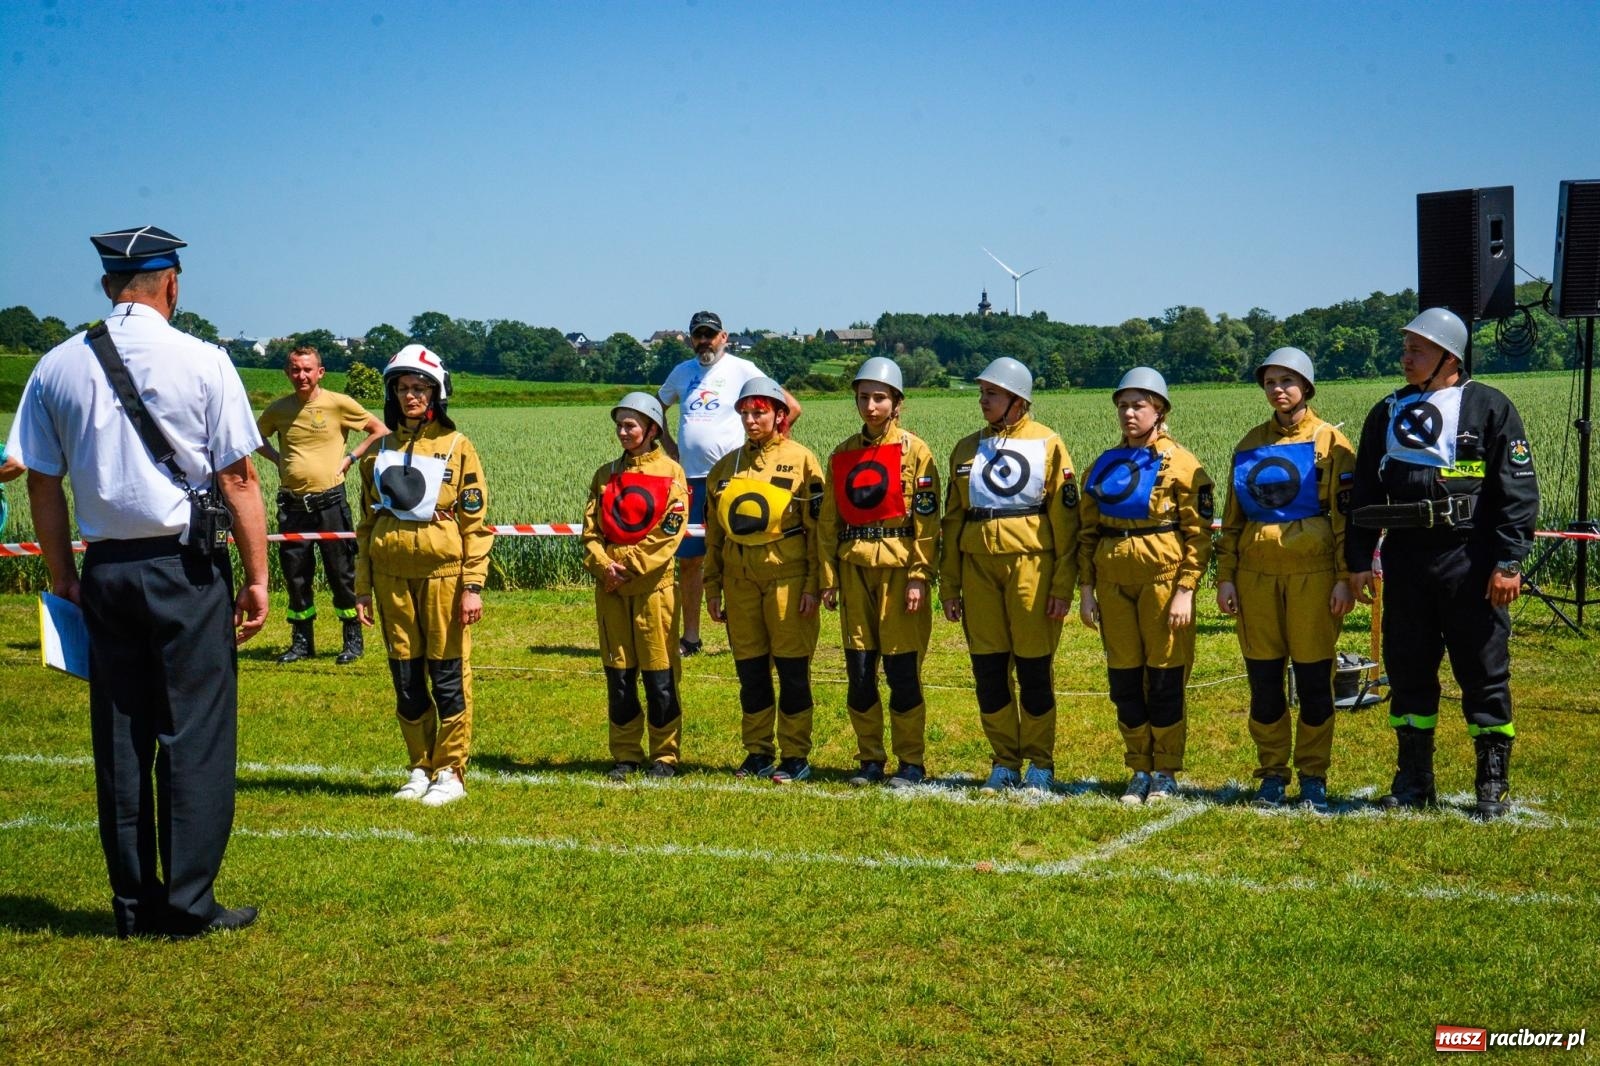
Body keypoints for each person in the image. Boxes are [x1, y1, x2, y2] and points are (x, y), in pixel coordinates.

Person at [12, 225, 268, 938]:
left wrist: (64, 574)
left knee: (121, 737)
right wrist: (256, 579)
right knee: (195, 733)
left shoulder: (57, 365)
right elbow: (240, 480)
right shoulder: (205, 360)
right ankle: (188, 904)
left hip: (106, 570)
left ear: (106, 286)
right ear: (171, 284)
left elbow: (41, 481)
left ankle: (132, 904)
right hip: (186, 568)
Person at [1346, 307, 1538, 819]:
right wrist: (1359, 559)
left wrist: (1509, 561)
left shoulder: (1490, 408)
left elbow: (1517, 493)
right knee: (1408, 669)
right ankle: (1413, 780)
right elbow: (1364, 490)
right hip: (1407, 562)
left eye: (1418, 351)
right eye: (1405, 349)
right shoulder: (1385, 413)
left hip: (1470, 560)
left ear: (1449, 357)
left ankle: (1491, 783)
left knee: (1483, 671)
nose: (1406, 358)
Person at [1215, 348, 1355, 813]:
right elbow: (1232, 522)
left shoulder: (1331, 442)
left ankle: (1313, 773)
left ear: (1306, 387)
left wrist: (1343, 578)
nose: (1278, 389)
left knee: (1315, 679)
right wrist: (1226, 578)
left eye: (1287, 381)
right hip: (1255, 579)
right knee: (1264, 680)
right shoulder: (1250, 443)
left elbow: (1345, 518)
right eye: (1271, 381)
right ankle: (1272, 772)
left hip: (1313, 578)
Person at [354, 344, 492, 807]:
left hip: (444, 578)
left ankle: (450, 770)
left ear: (437, 393)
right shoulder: (380, 450)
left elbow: (477, 524)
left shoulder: (458, 447)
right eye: (403, 388)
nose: (410, 396)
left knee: (448, 674)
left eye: (419, 388)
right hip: (391, 578)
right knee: (406, 676)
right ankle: (419, 764)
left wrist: (472, 586)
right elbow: (367, 523)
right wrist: (362, 587)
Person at [940, 357, 1080, 794]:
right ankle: (1004, 760)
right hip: (978, 570)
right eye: (982, 393)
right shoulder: (966, 449)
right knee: (988, 668)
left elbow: (1067, 524)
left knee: (1034, 668)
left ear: (1017, 400)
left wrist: (1061, 586)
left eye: (992, 394)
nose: (983, 401)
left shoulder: (1048, 444)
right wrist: (949, 586)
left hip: (1032, 569)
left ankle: (1039, 761)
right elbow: (951, 521)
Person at [1078, 367, 1213, 804]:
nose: (1128, 413)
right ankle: (1139, 766)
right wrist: (1086, 590)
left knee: (1165, 679)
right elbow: (1087, 532)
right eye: (1122, 406)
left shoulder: (1183, 463)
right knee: (1124, 680)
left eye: (1138, 405)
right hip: (1114, 585)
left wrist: (1186, 589)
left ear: (1159, 410)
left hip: (1163, 583)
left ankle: (1166, 769)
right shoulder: (1103, 465)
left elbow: (1199, 533)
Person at [818, 357, 941, 788]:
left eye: (879, 398)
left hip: (899, 569)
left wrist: (919, 576)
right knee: (860, 669)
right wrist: (829, 578)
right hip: (854, 570)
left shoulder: (917, 452)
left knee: (902, 671)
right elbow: (828, 523)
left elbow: (927, 523)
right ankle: (869, 758)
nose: (870, 406)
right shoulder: (844, 453)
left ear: (897, 403)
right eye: (863, 398)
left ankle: (911, 761)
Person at [658, 311, 800, 658]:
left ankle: (743, 633)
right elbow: (654, 407)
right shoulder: (682, 373)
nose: (704, 341)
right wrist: (669, 447)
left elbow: (790, 407)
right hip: (690, 480)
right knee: (690, 562)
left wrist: (766, 450)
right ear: (691, 339)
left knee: (736, 556)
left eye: (710, 334)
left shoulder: (744, 369)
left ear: (724, 337)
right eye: (698, 335)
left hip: (735, 480)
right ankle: (691, 637)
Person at [703, 377, 825, 783]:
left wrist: (814, 585)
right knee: (750, 671)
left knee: (792, 671)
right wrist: (712, 586)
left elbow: (817, 531)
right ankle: (757, 751)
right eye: (745, 413)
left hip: (787, 578)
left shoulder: (803, 460)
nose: (752, 420)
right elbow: (715, 536)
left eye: (760, 412)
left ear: (779, 415)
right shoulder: (726, 467)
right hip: (739, 581)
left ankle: (795, 754)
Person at [255, 345, 389, 664]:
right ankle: (302, 642)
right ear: (287, 373)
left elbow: (379, 430)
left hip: (330, 502)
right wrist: (277, 459)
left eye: (307, 369)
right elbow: (254, 438)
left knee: (341, 571)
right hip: (292, 504)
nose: (301, 375)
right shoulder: (278, 409)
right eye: (295, 370)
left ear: (320, 373)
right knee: (296, 574)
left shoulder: (338, 404)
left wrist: (351, 458)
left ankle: (352, 639)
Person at [580, 392, 690, 779]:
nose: (623, 432)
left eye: (631, 425)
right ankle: (626, 753)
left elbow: (669, 532)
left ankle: (665, 754)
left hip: (652, 588)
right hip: (611, 588)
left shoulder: (671, 474)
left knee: (659, 673)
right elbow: (589, 532)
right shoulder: (604, 475)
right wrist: (603, 565)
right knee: (619, 673)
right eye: (620, 425)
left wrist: (627, 566)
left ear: (652, 429)